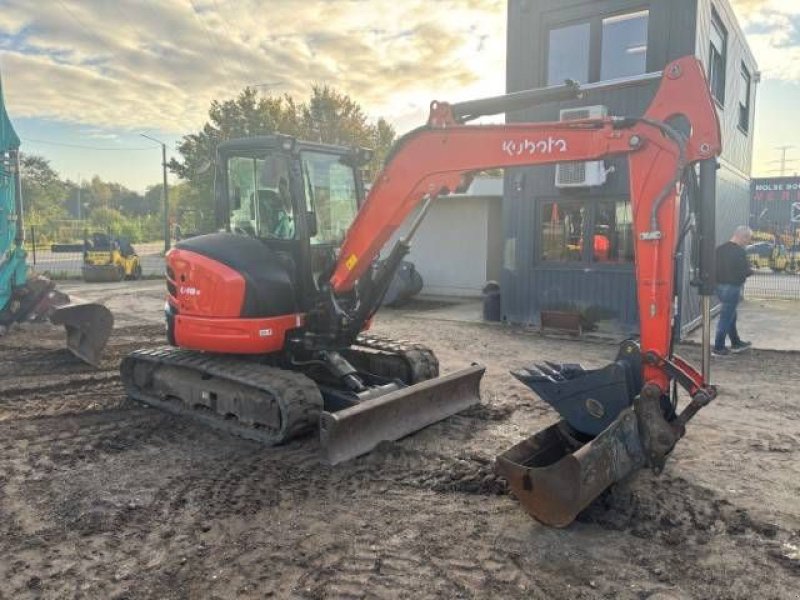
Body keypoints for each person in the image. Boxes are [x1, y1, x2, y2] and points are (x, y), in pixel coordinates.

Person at [713, 225, 753, 357]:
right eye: (748, 239)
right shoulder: (740, 252)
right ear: (743, 237)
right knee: (726, 317)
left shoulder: (719, 249)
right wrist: (751, 272)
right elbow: (746, 271)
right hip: (733, 287)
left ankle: (735, 342)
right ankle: (718, 348)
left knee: (731, 315)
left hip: (719, 287)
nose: (748, 242)